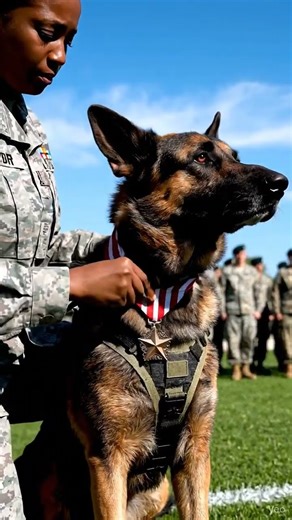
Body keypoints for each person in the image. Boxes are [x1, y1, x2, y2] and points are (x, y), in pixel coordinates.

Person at [0, 1, 155, 518]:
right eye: (47, 32)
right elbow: (54, 276)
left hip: (16, 355)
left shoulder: (26, 124)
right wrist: (70, 286)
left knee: (147, 389)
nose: (60, 55)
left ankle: (55, 491)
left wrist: (133, 243)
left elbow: (37, 246)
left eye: (70, 41)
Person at [220, 245, 263, 380]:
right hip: (232, 311)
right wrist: (223, 309)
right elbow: (221, 292)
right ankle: (236, 369)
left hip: (249, 311)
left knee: (249, 339)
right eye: (239, 253)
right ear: (235, 255)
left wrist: (258, 309)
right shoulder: (227, 271)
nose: (242, 256)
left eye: (243, 253)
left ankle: (246, 367)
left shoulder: (252, 271)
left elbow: (259, 291)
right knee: (233, 341)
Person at [250, 257, 273, 375]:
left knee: (263, 339)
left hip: (264, 313)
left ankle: (260, 363)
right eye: (257, 265)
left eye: (260, 264)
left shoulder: (267, 280)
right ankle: (251, 363)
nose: (259, 266)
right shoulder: (249, 279)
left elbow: (271, 296)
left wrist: (272, 312)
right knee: (252, 339)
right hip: (251, 311)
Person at [271, 249, 292, 378]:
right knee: (287, 340)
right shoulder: (282, 273)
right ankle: (289, 366)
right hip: (286, 311)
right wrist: (277, 311)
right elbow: (275, 293)